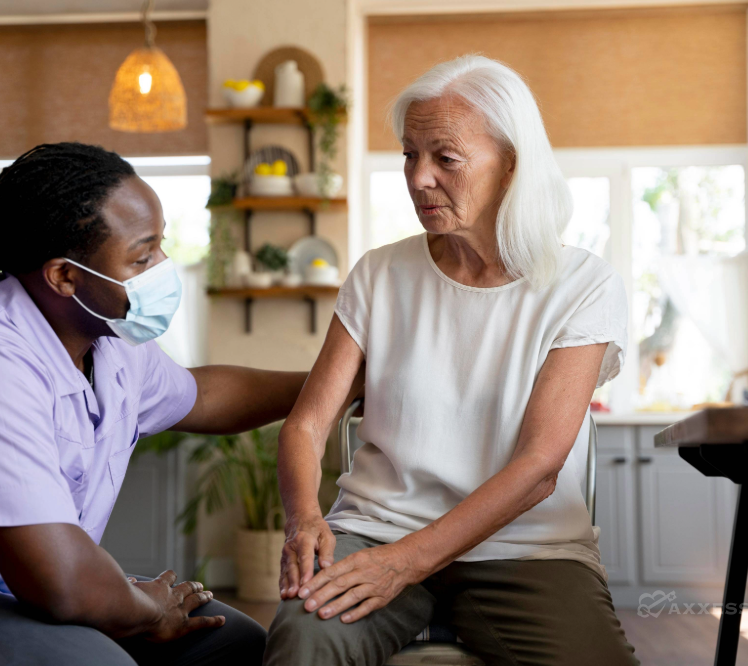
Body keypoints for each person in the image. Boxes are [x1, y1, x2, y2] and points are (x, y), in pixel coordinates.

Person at [0, 142, 309, 666]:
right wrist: (146, 610)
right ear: (64, 276)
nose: (163, 268)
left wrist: (342, 383)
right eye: (142, 256)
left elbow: (203, 396)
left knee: (233, 644)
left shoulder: (108, 345)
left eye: (161, 247)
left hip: (14, 595)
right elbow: (64, 584)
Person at [265, 55, 640, 666]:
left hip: (522, 548)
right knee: (302, 646)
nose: (418, 178)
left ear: (511, 164)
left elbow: (539, 468)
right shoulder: (380, 274)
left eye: (445, 157)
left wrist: (406, 564)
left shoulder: (582, 285)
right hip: (375, 529)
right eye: (409, 155)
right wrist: (303, 519)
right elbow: (307, 424)